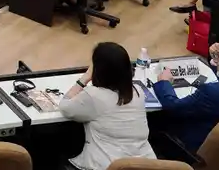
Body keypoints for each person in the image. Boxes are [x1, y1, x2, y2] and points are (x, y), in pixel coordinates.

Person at [58, 41, 154, 169]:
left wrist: (85, 78)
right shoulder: (138, 92)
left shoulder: (94, 96)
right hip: (146, 165)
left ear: (98, 70)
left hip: (107, 166)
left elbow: (65, 106)